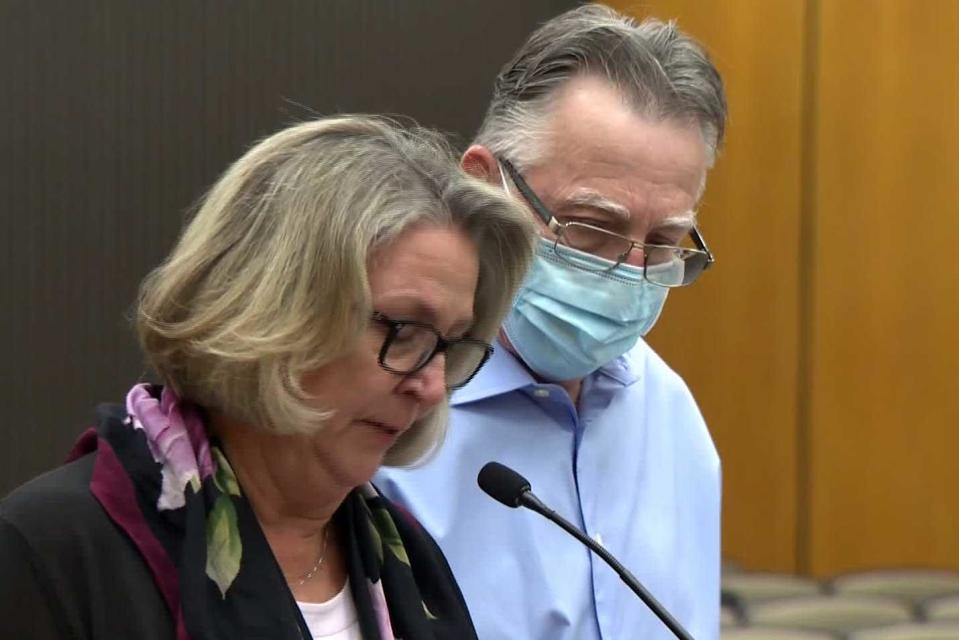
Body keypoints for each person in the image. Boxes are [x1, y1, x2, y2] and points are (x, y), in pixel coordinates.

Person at [0, 115, 535, 640]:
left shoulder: (410, 561)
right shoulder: (54, 550)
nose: (433, 386)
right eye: (405, 330)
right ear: (274, 307)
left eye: (449, 344)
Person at [375, 4, 728, 639]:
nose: (630, 271)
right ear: (485, 187)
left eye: (666, 241)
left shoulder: (672, 416)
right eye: (594, 228)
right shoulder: (378, 420)